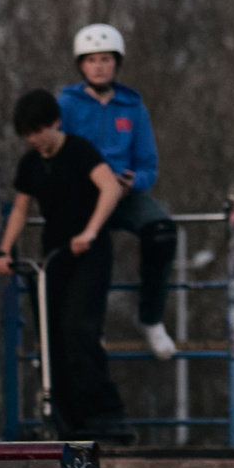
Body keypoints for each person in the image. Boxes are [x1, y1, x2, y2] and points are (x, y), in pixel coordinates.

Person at [0, 89, 131, 441]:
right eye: (29, 133)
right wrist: (5, 250)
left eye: (40, 130)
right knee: (50, 336)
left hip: (88, 253)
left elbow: (110, 189)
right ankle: (67, 417)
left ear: (55, 122)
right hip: (54, 258)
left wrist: (91, 231)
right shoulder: (30, 164)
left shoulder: (80, 151)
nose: (35, 139)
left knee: (78, 330)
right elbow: (21, 208)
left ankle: (105, 414)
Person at [59, 24, 177, 360]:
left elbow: (148, 166)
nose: (99, 66)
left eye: (106, 59)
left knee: (162, 232)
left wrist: (131, 183)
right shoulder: (66, 105)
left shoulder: (133, 107)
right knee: (90, 253)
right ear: (81, 65)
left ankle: (151, 318)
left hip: (124, 195)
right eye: (92, 59)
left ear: (116, 63)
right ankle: (89, 330)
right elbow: (58, 152)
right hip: (84, 197)